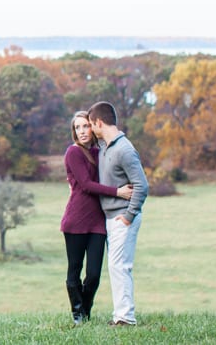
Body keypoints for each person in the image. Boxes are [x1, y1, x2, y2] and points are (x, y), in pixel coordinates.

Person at [60, 111, 133, 325]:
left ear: (93, 127)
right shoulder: (73, 152)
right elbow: (86, 185)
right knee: (74, 270)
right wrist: (118, 192)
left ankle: (86, 309)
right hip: (75, 220)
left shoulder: (100, 151)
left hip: (98, 222)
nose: (82, 131)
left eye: (85, 126)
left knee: (93, 274)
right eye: (77, 128)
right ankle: (78, 315)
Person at [87, 101, 149, 326]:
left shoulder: (124, 149)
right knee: (116, 266)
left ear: (99, 122)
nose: (91, 130)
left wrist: (129, 216)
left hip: (123, 216)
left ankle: (125, 318)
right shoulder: (106, 147)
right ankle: (120, 315)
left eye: (92, 125)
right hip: (111, 217)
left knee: (120, 265)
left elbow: (142, 186)